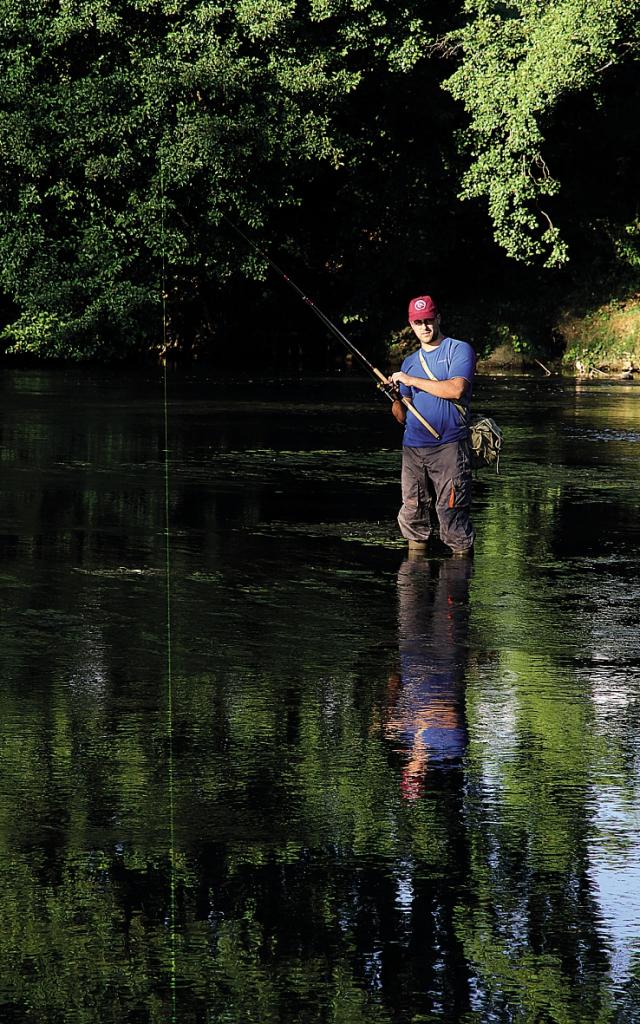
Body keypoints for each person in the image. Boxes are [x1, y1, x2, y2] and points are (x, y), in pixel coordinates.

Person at [388, 295, 476, 556]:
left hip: (449, 446)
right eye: (418, 322)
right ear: (411, 325)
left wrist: (411, 380)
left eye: (428, 320)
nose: (424, 327)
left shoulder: (458, 350)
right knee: (413, 512)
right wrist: (394, 396)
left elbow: (456, 389)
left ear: (438, 318)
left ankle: (456, 586)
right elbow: (402, 416)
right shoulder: (409, 362)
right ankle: (413, 580)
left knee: (452, 515)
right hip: (413, 448)